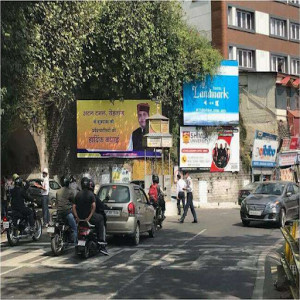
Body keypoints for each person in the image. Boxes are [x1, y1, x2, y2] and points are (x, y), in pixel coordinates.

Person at [72, 177, 108, 255]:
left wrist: (77, 217)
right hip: (89, 218)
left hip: (80, 218)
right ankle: (101, 241)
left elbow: (73, 207)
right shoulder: (91, 194)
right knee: (101, 219)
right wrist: (89, 217)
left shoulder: (78, 194)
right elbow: (94, 206)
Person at [56, 175, 77, 243]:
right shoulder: (70, 191)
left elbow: (57, 201)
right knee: (74, 228)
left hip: (59, 213)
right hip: (67, 212)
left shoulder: (57, 192)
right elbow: (74, 201)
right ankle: (76, 244)